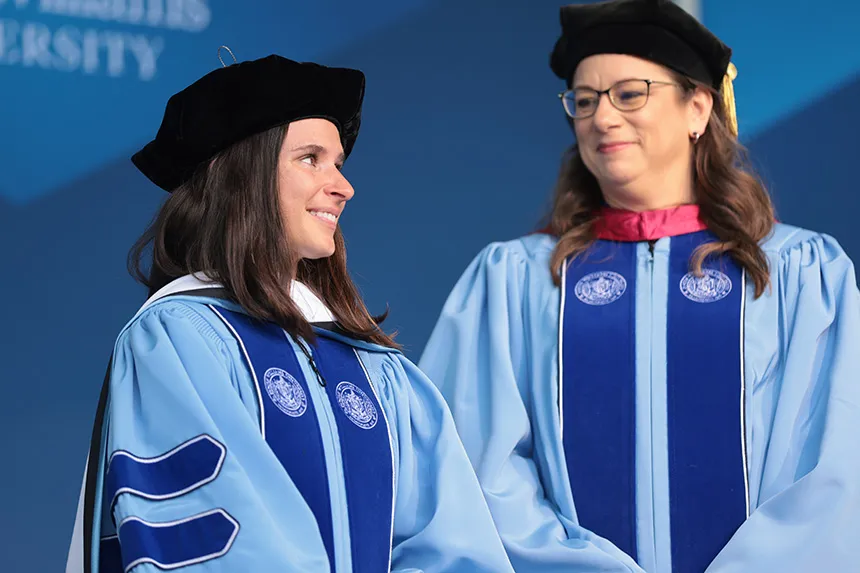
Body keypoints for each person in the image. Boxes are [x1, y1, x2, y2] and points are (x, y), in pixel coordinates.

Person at [418, 1, 860, 572]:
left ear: (697, 107)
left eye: (630, 94)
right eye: (584, 100)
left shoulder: (800, 275)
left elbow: (835, 471)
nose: (602, 118)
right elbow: (475, 476)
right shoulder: (517, 283)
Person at [65, 52, 514, 573]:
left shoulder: (376, 369)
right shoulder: (180, 340)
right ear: (237, 176)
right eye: (310, 158)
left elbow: (453, 546)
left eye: (339, 163)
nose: (344, 187)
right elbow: (217, 541)